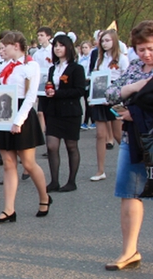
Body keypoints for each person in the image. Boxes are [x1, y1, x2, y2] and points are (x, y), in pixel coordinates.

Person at [103, 20, 153, 272]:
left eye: (150, 48)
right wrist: (135, 87)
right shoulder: (134, 67)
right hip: (132, 139)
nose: (146, 54)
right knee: (129, 194)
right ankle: (129, 251)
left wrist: (136, 112)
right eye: (141, 49)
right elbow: (110, 94)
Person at [0, 31, 50, 224]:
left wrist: (18, 121)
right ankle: (8, 209)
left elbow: (31, 97)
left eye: (4, 46)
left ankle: (44, 197)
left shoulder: (30, 66)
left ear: (16, 46)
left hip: (21, 113)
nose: (2, 50)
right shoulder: (3, 66)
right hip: (4, 112)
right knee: (8, 163)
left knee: (28, 163)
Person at [43, 35, 87, 192]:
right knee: (52, 146)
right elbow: (50, 86)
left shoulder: (76, 68)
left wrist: (58, 93)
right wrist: (49, 92)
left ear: (68, 48)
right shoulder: (52, 68)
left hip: (70, 112)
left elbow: (79, 90)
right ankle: (54, 181)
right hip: (53, 111)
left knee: (71, 146)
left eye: (61, 45)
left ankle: (71, 181)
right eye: (55, 45)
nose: (58, 48)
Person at [90, 29, 130, 181]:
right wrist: (92, 97)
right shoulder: (99, 59)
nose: (104, 43)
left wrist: (119, 97)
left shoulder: (122, 58)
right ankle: (100, 170)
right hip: (100, 98)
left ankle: (135, 162)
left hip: (115, 98)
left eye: (107, 40)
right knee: (100, 135)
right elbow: (96, 78)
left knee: (118, 134)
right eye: (102, 41)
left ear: (114, 41)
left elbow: (126, 79)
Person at [32, 26, 54, 133]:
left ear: (48, 37)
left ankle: (50, 130)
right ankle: (42, 133)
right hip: (41, 84)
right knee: (40, 111)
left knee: (50, 109)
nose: (39, 37)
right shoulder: (37, 53)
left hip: (50, 83)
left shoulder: (52, 51)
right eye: (38, 35)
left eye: (42, 35)